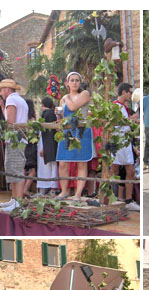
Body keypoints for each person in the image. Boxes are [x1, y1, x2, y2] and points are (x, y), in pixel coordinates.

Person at [55, 72, 94, 201]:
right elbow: (62, 117)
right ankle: (64, 191)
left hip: (81, 132)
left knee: (81, 164)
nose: (74, 82)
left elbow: (73, 107)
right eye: (72, 80)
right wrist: (58, 114)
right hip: (67, 132)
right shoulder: (63, 99)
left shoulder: (84, 94)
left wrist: (66, 98)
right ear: (67, 82)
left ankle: (77, 194)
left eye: (77, 80)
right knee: (62, 163)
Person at [0, 78, 29, 211]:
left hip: (15, 139)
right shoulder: (19, 99)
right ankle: (15, 200)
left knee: (16, 171)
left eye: (2, 90)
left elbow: (10, 121)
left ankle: (18, 201)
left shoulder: (11, 99)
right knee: (14, 169)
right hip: (18, 139)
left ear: (7, 90)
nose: (0, 92)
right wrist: (3, 107)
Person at [111, 83, 140, 212]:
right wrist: (132, 119)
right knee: (118, 170)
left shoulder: (123, 106)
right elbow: (116, 123)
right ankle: (118, 198)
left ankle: (125, 199)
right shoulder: (115, 106)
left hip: (125, 142)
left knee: (128, 171)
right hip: (119, 141)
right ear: (123, 92)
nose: (130, 94)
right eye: (129, 92)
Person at [36, 96, 59, 195]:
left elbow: (48, 133)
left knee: (45, 167)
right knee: (52, 166)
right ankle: (52, 187)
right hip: (49, 143)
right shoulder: (52, 113)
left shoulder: (47, 114)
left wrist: (44, 148)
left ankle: (47, 188)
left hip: (46, 143)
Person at [22, 99, 38, 197]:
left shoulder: (22, 119)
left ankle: (21, 189)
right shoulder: (33, 120)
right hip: (31, 147)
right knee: (32, 170)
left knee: (23, 169)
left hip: (23, 145)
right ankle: (25, 189)